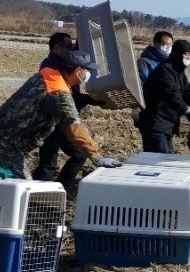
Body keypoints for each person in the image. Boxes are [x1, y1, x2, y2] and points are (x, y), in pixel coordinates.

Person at [0, 50, 122, 180]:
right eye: (87, 70)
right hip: (7, 144)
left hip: (7, 138)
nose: (88, 73)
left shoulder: (47, 75)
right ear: (78, 70)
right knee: (23, 188)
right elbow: (74, 127)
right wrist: (96, 156)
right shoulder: (58, 92)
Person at [32, 33, 104, 191]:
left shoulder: (66, 63)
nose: (72, 50)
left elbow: (74, 96)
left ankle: (61, 186)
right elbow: (65, 99)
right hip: (53, 121)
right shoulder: (52, 66)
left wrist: (90, 100)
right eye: (68, 47)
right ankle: (36, 194)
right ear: (56, 48)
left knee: (77, 154)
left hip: (62, 121)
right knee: (49, 161)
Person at [140, 39, 190, 153]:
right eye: (185, 53)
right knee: (159, 157)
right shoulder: (165, 70)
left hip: (167, 123)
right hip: (156, 122)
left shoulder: (179, 72)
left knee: (166, 157)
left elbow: (188, 92)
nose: (188, 57)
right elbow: (171, 95)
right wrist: (187, 111)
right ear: (178, 53)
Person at [132, 30, 174, 128]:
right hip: (149, 107)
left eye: (170, 45)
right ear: (156, 44)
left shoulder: (170, 63)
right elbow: (142, 84)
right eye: (165, 45)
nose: (168, 48)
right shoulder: (144, 62)